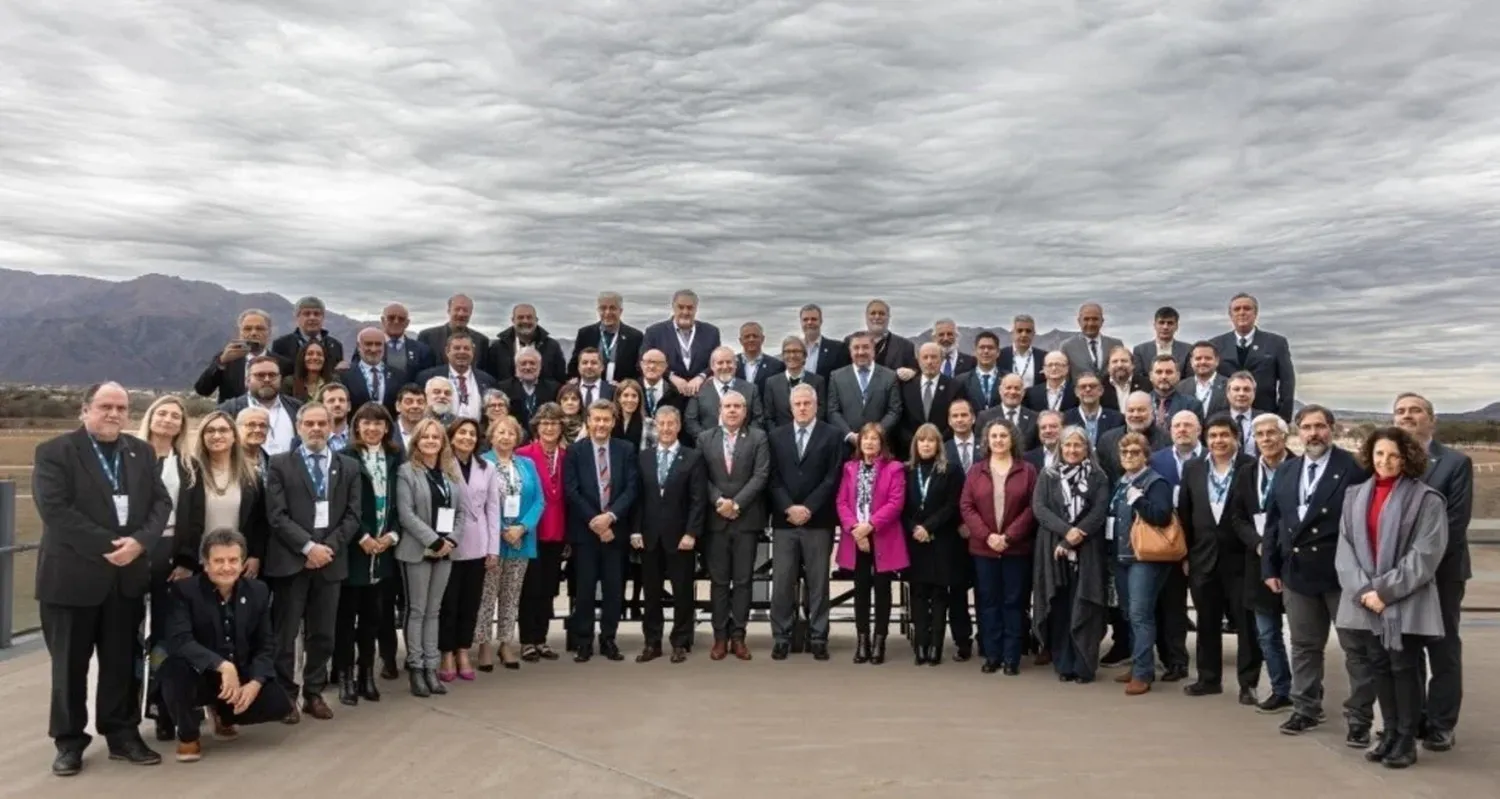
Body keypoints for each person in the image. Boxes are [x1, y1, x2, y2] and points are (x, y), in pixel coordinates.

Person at [33, 382, 171, 776]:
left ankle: (122, 733)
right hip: (71, 579)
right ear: (85, 409)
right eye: (105, 406)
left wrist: (140, 543)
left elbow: (162, 502)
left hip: (125, 581)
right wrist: (113, 545)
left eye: (121, 407)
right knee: (69, 667)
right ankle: (69, 741)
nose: (114, 414)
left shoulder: (140, 452)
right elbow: (56, 511)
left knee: (120, 664)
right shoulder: (55, 452)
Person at [1335, 427, 1448, 769]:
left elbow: (1426, 554)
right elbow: (1345, 549)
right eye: (1380, 454)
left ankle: (1406, 739)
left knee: (1403, 669)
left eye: (1394, 455)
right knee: (1379, 668)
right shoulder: (1355, 495)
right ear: (1370, 455)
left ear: (1407, 458)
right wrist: (1364, 591)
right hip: (1365, 601)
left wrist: (1384, 591)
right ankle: (1389, 735)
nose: (1385, 461)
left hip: (1404, 600)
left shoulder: (1427, 499)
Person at [155, 529, 294, 763]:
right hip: (199, 674)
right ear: (205, 564)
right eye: (218, 561)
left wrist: (255, 683)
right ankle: (188, 735)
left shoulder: (258, 591)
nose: (226, 567)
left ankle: (224, 715)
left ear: (242, 564)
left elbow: (265, 644)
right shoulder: (184, 591)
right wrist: (222, 666)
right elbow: (180, 641)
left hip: (238, 675)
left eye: (233, 560)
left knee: (278, 704)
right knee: (174, 670)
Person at [263, 402, 362, 722]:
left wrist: (325, 549)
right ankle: (285, 697)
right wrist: (307, 548)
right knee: (286, 633)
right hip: (292, 562)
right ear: (299, 427)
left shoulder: (348, 466)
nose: (317, 429)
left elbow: (352, 515)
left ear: (332, 426)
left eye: (323, 423)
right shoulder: (280, 464)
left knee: (323, 633)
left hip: (330, 563)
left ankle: (314, 692)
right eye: (310, 423)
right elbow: (276, 516)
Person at [958, 419, 1039, 675]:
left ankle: (1012, 657)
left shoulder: (1027, 470)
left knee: (1014, 602)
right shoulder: (976, 471)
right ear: (987, 441)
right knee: (988, 602)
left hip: (1016, 549)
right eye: (993, 436)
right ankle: (992, 654)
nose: (998, 440)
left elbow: (1031, 507)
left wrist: (1009, 536)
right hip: (984, 550)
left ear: (1012, 439)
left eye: (1003, 435)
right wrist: (987, 536)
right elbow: (966, 506)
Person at [1031, 426, 1109, 684]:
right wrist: (1067, 533)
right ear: (1060, 448)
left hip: (1087, 550)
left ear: (1087, 448)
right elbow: (1040, 509)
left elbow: (1099, 511)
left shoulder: (1098, 476)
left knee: (1085, 605)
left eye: (1078, 445)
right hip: (1054, 549)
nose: (1073, 450)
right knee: (1060, 606)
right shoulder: (1048, 475)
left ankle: (1084, 665)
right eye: (1068, 445)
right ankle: (1064, 664)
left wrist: (1076, 536)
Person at [563, 400, 640, 662]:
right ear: (588, 421)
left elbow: (631, 488)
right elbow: (571, 490)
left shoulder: (626, 449)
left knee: (614, 589)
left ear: (613, 422)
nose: (601, 424)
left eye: (606, 420)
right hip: (585, 534)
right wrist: (595, 521)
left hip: (615, 531)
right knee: (584, 589)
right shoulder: (575, 451)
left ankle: (609, 639)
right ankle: (584, 641)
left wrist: (609, 517)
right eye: (596, 419)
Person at [334, 403, 401, 706]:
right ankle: (346, 676)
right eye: (366, 423)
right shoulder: (346, 458)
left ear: (387, 427)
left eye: (379, 423)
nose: (372, 428)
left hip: (384, 552)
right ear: (357, 427)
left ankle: (367, 675)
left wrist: (392, 535)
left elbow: (404, 501)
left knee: (373, 620)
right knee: (347, 620)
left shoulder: (396, 458)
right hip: (355, 550)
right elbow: (342, 503)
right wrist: (361, 535)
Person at [395, 417, 467, 696]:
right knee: (417, 610)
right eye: (425, 437)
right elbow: (406, 513)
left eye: (435, 437)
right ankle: (416, 666)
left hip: (445, 551)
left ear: (442, 442)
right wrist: (434, 540)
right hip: (417, 550)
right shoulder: (406, 472)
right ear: (416, 441)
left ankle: (431, 667)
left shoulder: (450, 472)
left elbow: (461, 512)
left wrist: (451, 540)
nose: (430, 441)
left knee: (434, 612)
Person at [633, 406, 707, 662]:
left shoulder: (692, 457)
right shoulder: (644, 457)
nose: (665, 428)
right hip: (650, 536)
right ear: (656, 428)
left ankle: (680, 641)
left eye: (670, 424)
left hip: (681, 537)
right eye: (661, 424)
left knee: (682, 591)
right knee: (651, 593)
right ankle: (652, 642)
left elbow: (698, 500)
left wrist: (691, 533)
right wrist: (635, 530)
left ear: (678, 426)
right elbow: (639, 498)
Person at [1110, 431, 1176, 695]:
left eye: (1135, 452)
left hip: (1145, 558)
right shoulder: (1121, 482)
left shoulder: (1155, 482)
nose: (1129, 457)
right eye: (1125, 453)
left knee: (1140, 614)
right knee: (1129, 613)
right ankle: (1138, 664)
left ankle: (1143, 673)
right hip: (1122, 556)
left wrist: (1139, 499)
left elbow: (1161, 516)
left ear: (1146, 455)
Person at [478, 415, 544, 670]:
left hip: (521, 540)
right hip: (492, 542)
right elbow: (478, 502)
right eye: (500, 432)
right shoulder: (482, 464)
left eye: (511, 433)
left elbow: (539, 500)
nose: (506, 437)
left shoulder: (527, 464)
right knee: (487, 595)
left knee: (511, 595)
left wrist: (522, 527)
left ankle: (506, 643)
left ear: (518, 438)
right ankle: (483, 644)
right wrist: (502, 529)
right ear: (491, 437)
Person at [437, 418, 500, 681]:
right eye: (462, 433)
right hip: (449, 542)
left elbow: (493, 508)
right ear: (451, 436)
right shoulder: (442, 464)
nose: (467, 438)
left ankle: (463, 650)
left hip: (479, 542)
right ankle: (446, 653)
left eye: (472, 434)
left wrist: (493, 548)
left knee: (470, 602)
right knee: (448, 603)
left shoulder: (487, 467)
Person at [901, 424, 965, 665]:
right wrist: (914, 529)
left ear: (939, 444)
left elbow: (952, 505)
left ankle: (936, 647)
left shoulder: (951, 470)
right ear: (915, 445)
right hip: (914, 540)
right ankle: (921, 646)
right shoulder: (906, 470)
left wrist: (929, 527)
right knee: (918, 593)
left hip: (942, 540)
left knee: (939, 593)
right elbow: (900, 506)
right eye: (922, 441)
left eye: (931, 441)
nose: (926, 445)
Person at [516, 403, 569, 661]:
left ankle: (542, 639)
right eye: (545, 423)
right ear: (537, 426)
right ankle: (527, 639)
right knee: (530, 587)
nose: (549, 428)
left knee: (549, 588)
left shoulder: (567, 455)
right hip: (530, 530)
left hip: (557, 531)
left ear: (561, 427)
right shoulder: (523, 454)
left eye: (555, 423)